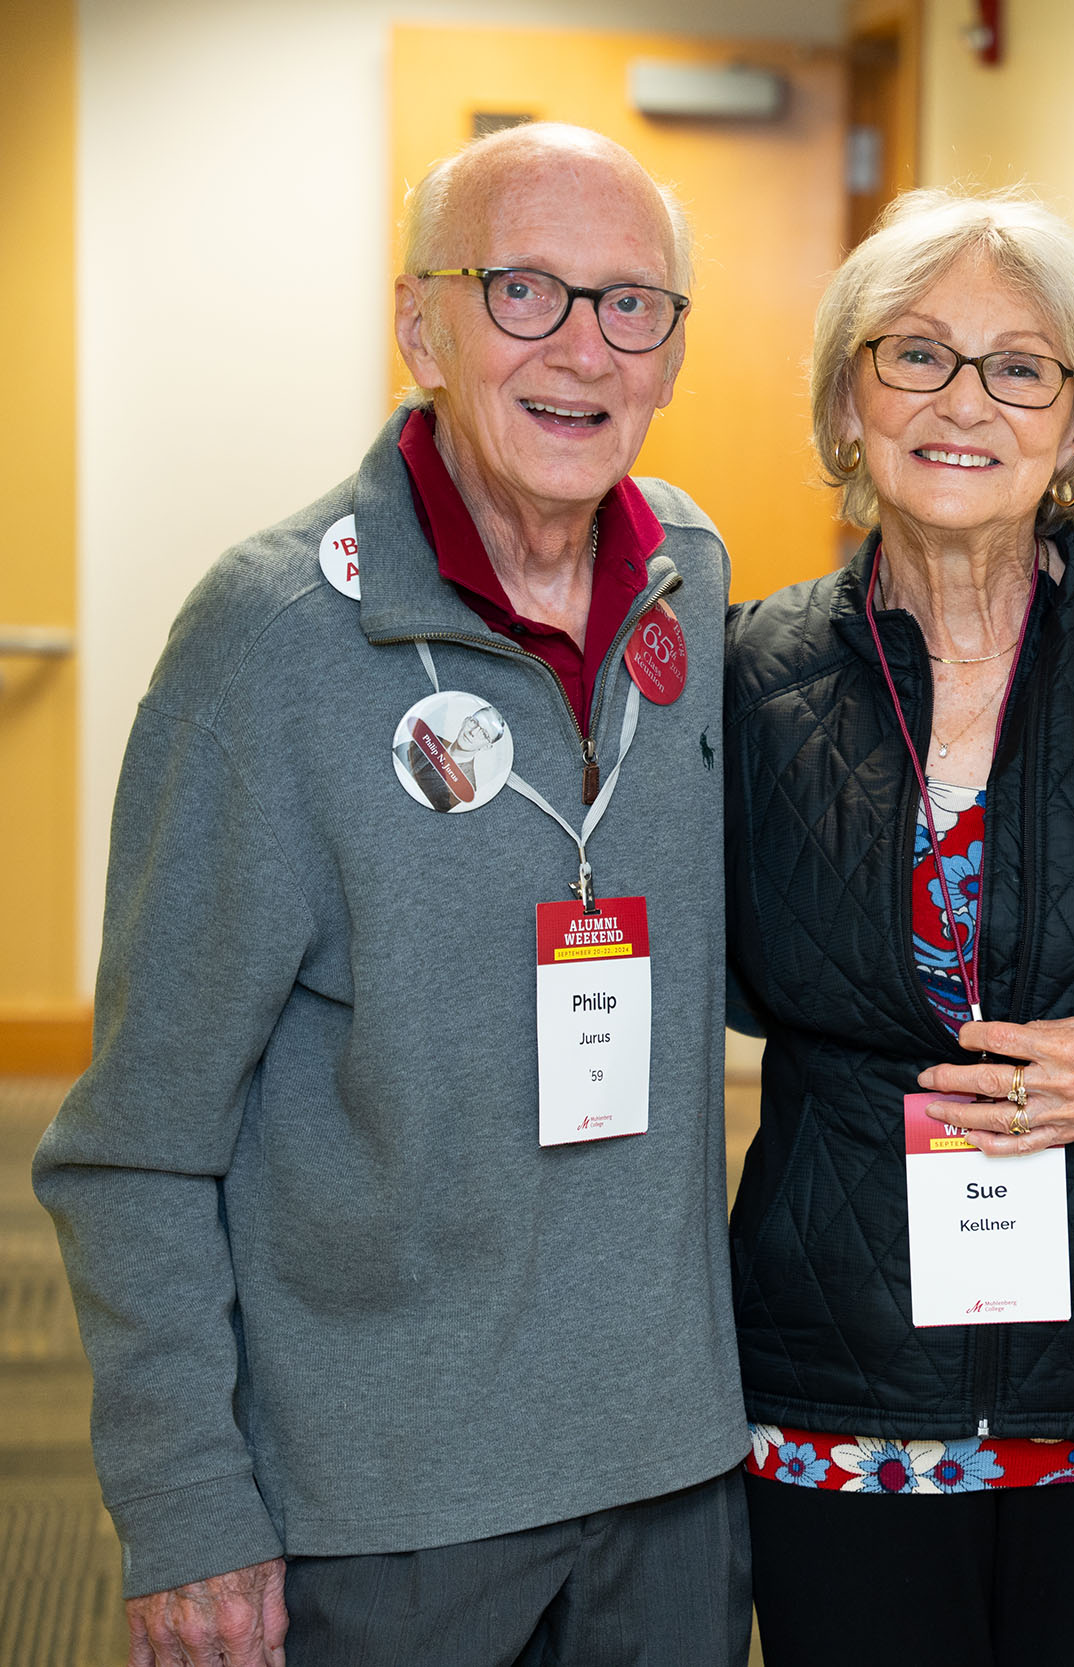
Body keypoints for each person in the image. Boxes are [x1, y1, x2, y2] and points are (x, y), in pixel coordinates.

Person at [35, 124, 750, 1667]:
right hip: (385, 1502)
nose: (583, 348)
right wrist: (187, 1507)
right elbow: (134, 1147)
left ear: (675, 352)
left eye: (633, 304)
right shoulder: (273, 641)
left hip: (673, 1477)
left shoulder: (692, 575)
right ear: (419, 323)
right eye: (524, 291)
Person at [722, 188, 1074, 1666]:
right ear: (849, 397)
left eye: (1022, 366)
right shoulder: (739, 675)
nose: (967, 402)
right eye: (916, 355)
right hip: (841, 1379)